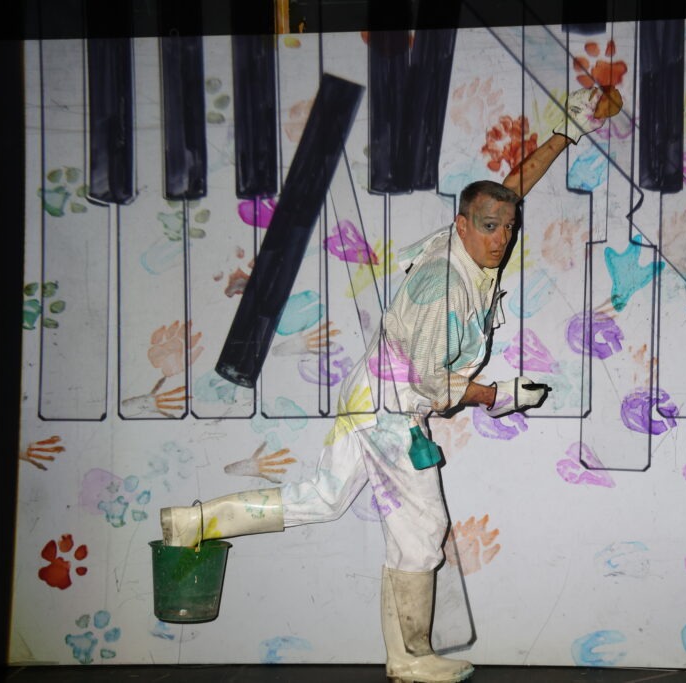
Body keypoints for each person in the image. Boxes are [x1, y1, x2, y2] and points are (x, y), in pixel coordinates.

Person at [160, 87, 608, 682]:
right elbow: (434, 385)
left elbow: (510, 188)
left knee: (323, 498)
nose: (502, 238)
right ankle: (410, 658)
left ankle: (194, 522)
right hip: (392, 409)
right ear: (462, 226)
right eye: (491, 227)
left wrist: (566, 132)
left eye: (508, 227)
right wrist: (501, 395)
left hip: (370, 396)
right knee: (422, 534)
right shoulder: (444, 290)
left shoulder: (468, 241)